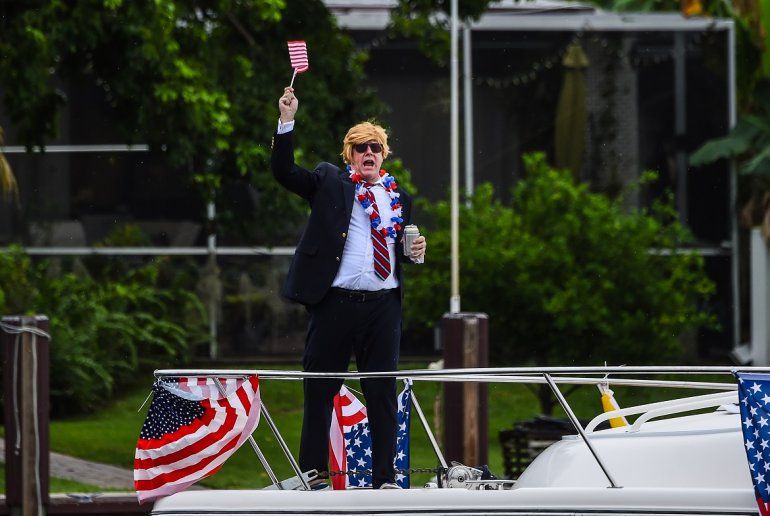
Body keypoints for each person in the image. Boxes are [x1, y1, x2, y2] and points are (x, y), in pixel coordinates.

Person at [271, 86, 427, 489]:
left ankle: (385, 478)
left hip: (383, 305)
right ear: (350, 156)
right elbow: (284, 173)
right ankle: (312, 472)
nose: (368, 153)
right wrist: (287, 121)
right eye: (360, 148)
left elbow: (399, 248)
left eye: (374, 146)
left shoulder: (401, 199)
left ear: (384, 153)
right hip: (335, 302)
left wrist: (416, 252)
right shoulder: (329, 182)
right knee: (320, 386)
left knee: (382, 391)